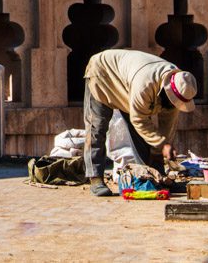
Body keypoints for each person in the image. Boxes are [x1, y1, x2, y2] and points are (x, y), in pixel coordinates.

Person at [83, 49, 198, 197]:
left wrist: (163, 146)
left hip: (127, 81)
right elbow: (138, 120)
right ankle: (95, 178)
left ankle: (155, 176)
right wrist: (162, 144)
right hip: (103, 74)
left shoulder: (180, 86)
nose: (173, 105)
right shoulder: (145, 84)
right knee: (97, 128)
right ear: (166, 91)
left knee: (145, 135)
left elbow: (166, 127)